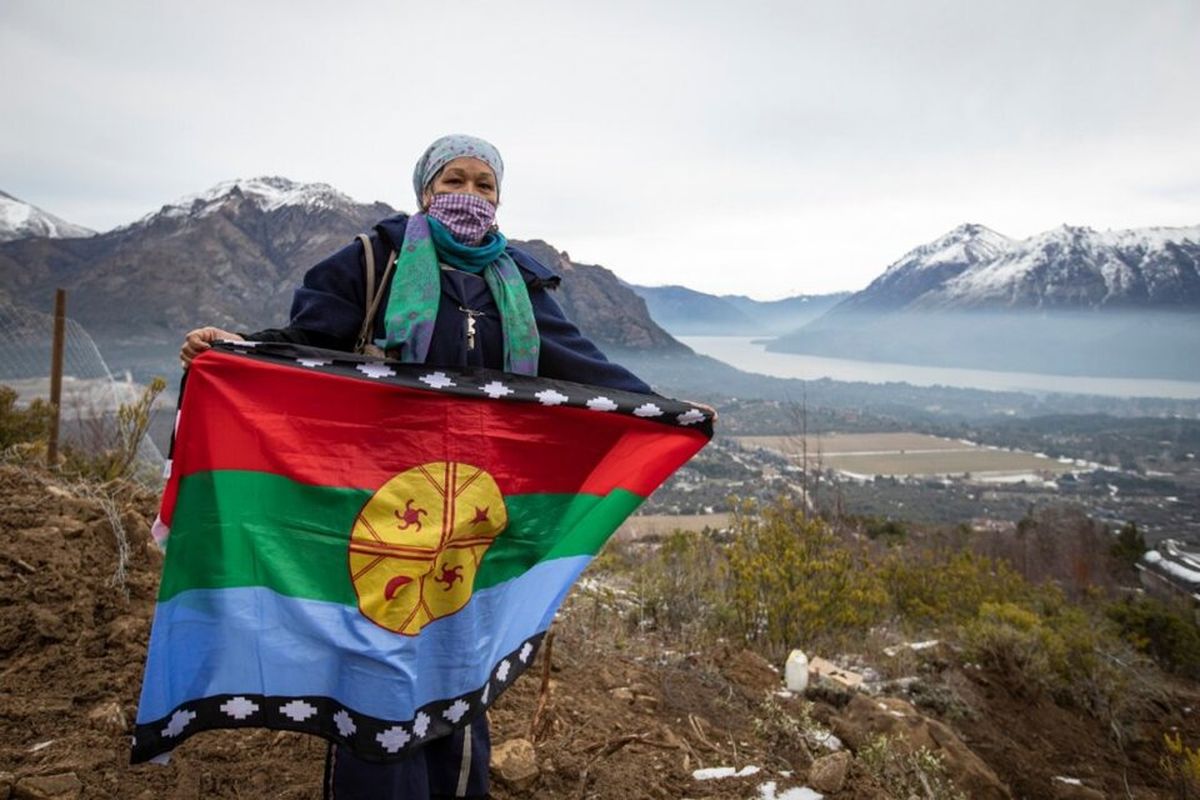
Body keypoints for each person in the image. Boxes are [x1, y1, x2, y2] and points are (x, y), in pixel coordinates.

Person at [179, 134, 654, 799]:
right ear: (425, 191)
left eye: (484, 184)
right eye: (453, 180)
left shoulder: (518, 280)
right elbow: (310, 342)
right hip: (378, 503)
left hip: (476, 507)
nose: (469, 195)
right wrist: (240, 353)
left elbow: (578, 363)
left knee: (460, 654)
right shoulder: (374, 259)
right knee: (377, 656)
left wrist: (660, 411)